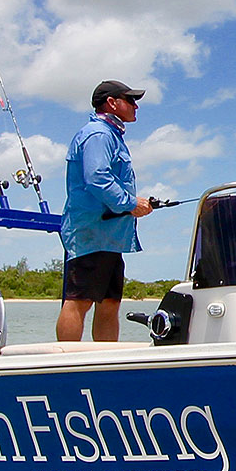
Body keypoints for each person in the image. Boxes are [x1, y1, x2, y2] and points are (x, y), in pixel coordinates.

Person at [55, 80, 153, 340]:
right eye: (130, 100)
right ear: (112, 102)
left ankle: (105, 362)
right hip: (91, 233)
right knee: (80, 300)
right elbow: (97, 178)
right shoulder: (98, 134)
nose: (135, 106)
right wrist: (131, 203)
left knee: (110, 302)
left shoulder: (112, 136)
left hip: (109, 236)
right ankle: (66, 364)